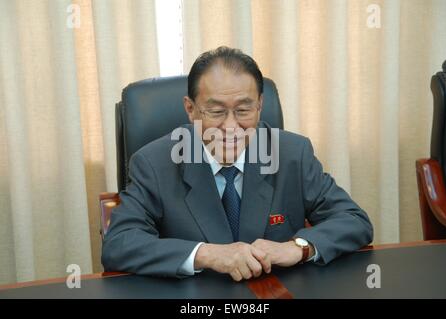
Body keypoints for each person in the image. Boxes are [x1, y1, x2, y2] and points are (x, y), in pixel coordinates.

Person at [102, 46, 373, 282]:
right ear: (190, 108)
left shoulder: (292, 153)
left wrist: (297, 247)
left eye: (243, 110)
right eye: (216, 111)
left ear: (260, 106)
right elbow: (119, 244)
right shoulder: (154, 163)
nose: (231, 127)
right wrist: (206, 255)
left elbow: (353, 221)